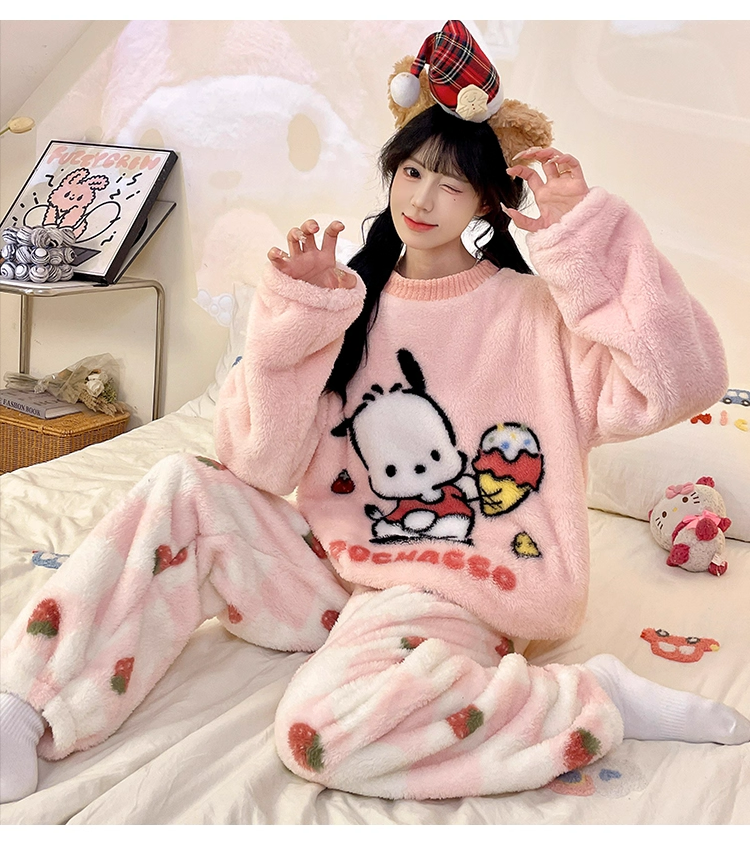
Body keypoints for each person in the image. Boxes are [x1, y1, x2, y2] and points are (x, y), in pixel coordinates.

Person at [1, 21, 748, 805]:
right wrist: (297, 320)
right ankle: (27, 700)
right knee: (180, 485)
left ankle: (594, 697)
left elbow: (683, 379)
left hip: (457, 583)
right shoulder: (349, 300)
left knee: (321, 734)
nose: (423, 198)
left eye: (451, 184)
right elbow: (260, 465)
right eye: (413, 171)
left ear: (485, 200)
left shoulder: (533, 314)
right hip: (335, 568)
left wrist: (585, 238)